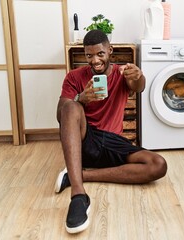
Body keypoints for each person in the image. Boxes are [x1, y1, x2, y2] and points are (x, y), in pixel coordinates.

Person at [55, 29, 167, 234]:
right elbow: (60, 114)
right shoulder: (74, 77)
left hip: (114, 141)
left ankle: (76, 176)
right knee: (70, 107)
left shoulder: (122, 74)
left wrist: (139, 76)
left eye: (100, 54)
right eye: (89, 55)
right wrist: (81, 99)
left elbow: (138, 86)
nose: (95, 60)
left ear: (110, 51)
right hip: (87, 140)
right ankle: (79, 196)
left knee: (158, 164)